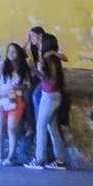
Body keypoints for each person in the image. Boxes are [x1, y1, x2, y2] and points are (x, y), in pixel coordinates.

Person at [26, 34, 69, 170]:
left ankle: (39, 159)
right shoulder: (50, 57)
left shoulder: (50, 58)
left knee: (41, 126)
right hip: (51, 95)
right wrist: (37, 70)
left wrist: (39, 71)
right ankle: (60, 160)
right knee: (53, 128)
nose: (39, 43)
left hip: (50, 96)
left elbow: (52, 80)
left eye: (41, 41)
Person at [0, 42, 29, 165]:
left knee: (11, 128)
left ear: (18, 53)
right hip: (1, 98)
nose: (11, 54)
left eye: (14, 51)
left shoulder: (24, 68)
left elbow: (27, 85)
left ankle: (11, 156)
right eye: (9, 51)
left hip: (15, 98)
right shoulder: (3, 65)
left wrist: (19, 86)